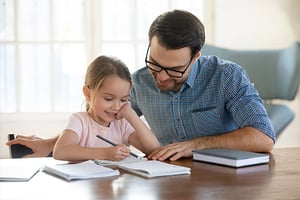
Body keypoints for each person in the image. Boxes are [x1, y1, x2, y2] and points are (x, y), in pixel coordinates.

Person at [6, 10, 275, 161]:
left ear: (196, 57)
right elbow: (103, 117)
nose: (162, 78)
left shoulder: (226, 77)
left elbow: (263, 137)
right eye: (155, 64)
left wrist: (194, 145)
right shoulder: (139, 82)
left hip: (225, 181)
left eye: (175, 70)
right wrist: (52, 143)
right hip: (166, 179)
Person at [52, 55, 159, 162]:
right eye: (108, 99)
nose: (116, 107)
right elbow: (60, 151)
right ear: (88, 93)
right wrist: (105, 153)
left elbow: (154, 150)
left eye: (123, 100)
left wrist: (131, 115)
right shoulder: (79, 121)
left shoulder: (122, 124)